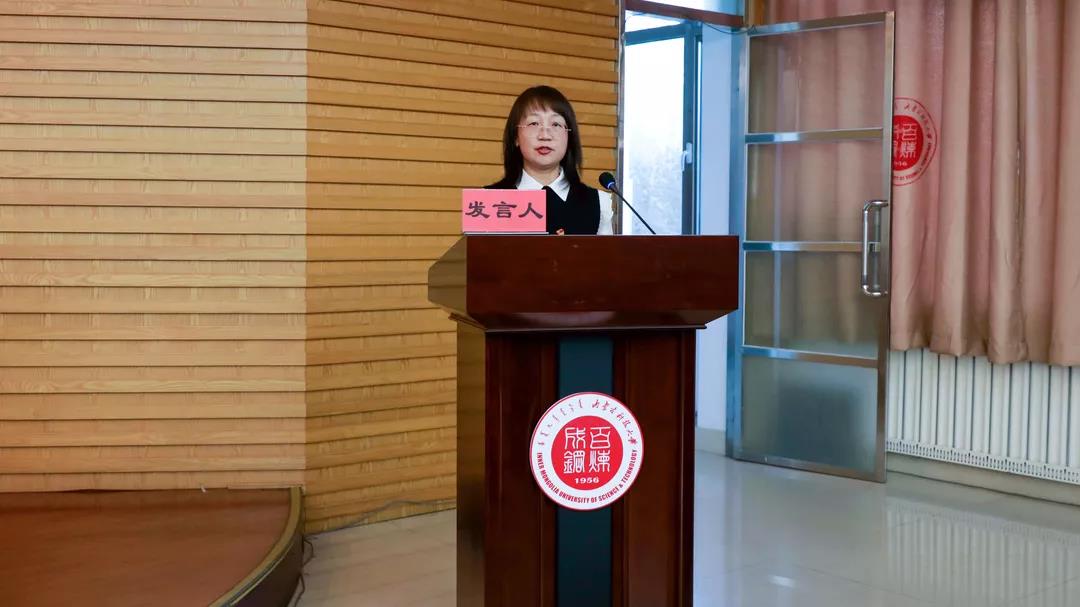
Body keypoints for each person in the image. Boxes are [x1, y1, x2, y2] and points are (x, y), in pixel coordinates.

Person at [487, 85, 614, 235]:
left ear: (569, 137)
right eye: (534, 123)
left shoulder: (598, 203)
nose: (545, 135)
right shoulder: (488, 202)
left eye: (556, 124)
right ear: (516, 136)